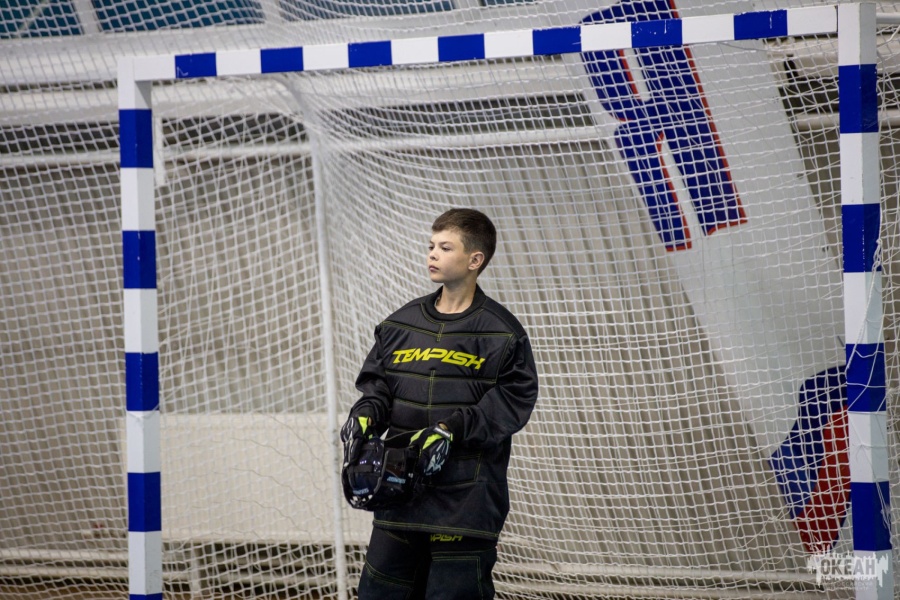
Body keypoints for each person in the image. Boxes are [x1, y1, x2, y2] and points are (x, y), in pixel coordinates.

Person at [340, 208, 539, 600]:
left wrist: (451, 429)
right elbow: (378, 389)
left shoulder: (503, 334)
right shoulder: (399, 325)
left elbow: (512, 402)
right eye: (431, 245)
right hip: (398, 494)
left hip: (465, 503)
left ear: (474, 260)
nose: (432, 254)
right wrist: (366, 414)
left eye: (446, 247)